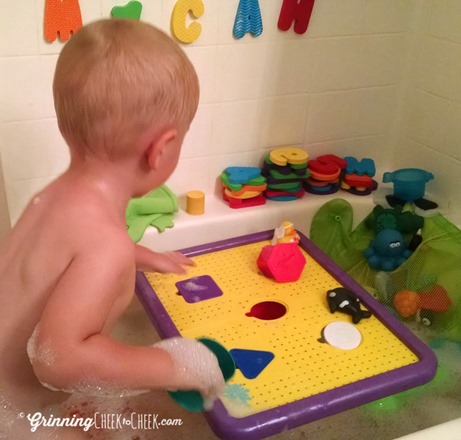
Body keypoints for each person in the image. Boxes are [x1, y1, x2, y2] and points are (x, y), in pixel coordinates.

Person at [0, 18, 224, 437]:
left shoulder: (50, 199)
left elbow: (63, 258)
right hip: (20, 417)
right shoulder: (106, 245)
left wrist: (144, 256)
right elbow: (56, 359)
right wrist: (174, 365)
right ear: (160, 150)